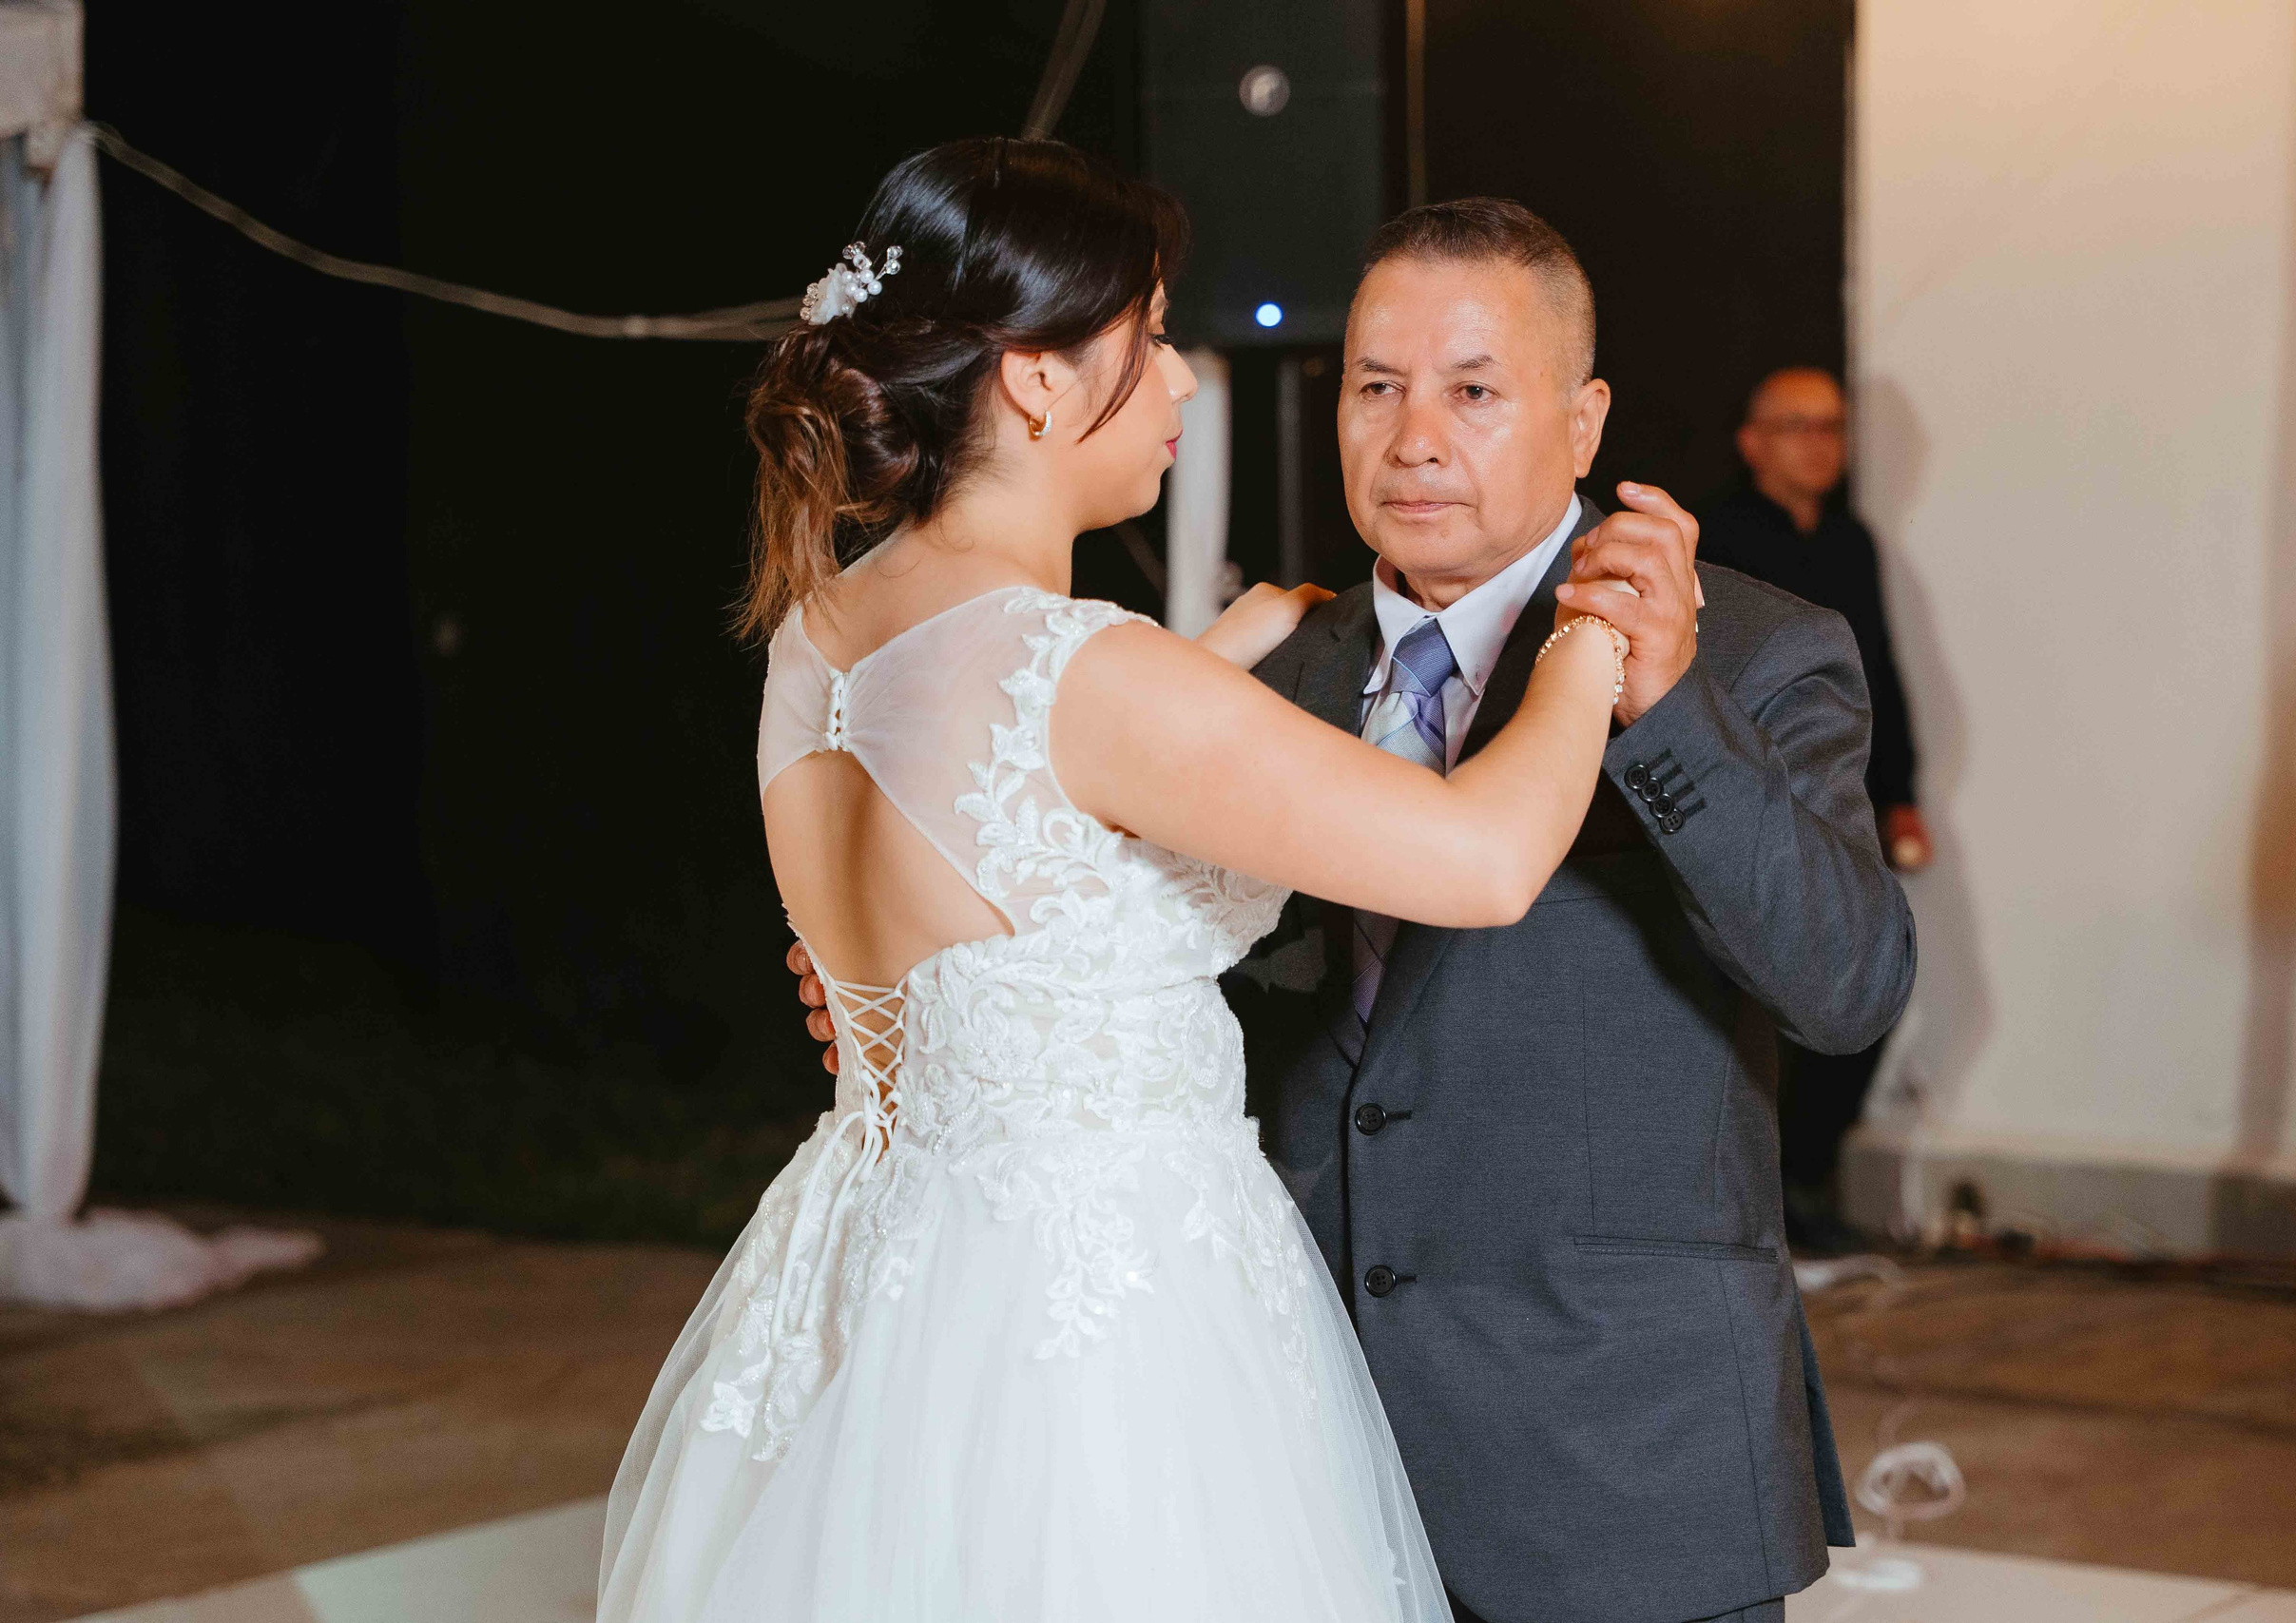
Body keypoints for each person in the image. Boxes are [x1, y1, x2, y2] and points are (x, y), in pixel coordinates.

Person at [802, 199, 1917, 1623]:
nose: (1414, 438)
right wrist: (928, 981)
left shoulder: (1750, 649)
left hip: (1620, 1459)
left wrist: (1672, 710)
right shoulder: (1261, 672)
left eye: (1473, 392)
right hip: (1286, 1455)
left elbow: (1850, 985)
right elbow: (1118, 949)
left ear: (1584, 423)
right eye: (1376, 387)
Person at [601, 140, 1645, 1623]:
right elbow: (1481, 858)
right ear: (1035, 378)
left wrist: (1208, 665)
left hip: (873, 1278)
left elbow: (1007, 840)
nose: (1180, 380)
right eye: (1148, 337)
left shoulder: (816, 634)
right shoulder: (1084, 667)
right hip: (1097, 1328)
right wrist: (1595, 629)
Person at [1697, 367, 1928, 1252]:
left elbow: (1881, 672)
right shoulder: (1712, 537)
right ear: (1752, 441)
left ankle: (1806, 1179)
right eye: (1798, 425)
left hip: (1839, 793)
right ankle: (1764, 1197)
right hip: (1745, 793)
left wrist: (1902, 796)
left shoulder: (1851, 541)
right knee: (1754, 999)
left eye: (1832, 426)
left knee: (1863, 980)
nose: (1821, 443)